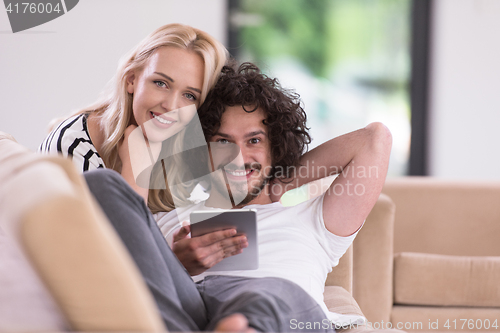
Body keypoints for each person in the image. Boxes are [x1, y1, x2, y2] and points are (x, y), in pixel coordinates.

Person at [155, 63, 393, 325]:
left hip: (284, 315)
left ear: (276, 147)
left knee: (270, 296)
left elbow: (374, 139)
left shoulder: (315, 220)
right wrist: (176, 265)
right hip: (201, 312)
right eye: (223, 142)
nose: (238, 158)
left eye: (254, 141)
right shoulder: (168, 214)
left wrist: (281, 182)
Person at [39, 23, 228, 213]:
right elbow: (121, 240)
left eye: (189, 96)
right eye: (161, 83)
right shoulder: (73, 146)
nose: (170, 106)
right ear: (131, 80)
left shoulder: (181, 148)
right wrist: (135, 168)